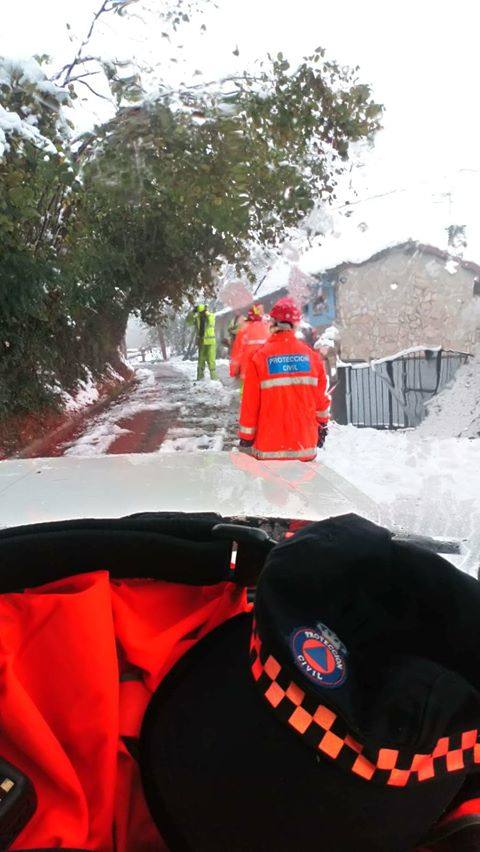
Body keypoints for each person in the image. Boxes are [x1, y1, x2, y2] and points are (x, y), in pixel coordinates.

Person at [238, 296, 330, 460]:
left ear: (272, 323)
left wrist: (246, 438)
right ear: (295, 324)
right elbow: (320, 400)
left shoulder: (259, 358)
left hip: (269, 450)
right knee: (302, 486)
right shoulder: (312, 358)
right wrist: (322, 425)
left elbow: (250, 404)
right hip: (304, 449)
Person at [229, 304, 270, 384]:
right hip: (264, 373)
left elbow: (237, 353)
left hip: (247, 373)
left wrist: (234, 371)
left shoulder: (244, 330)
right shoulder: (268, 329)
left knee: (246, 394)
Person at [186, 304, 217, 380]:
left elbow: (211, 322)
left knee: (211, 361)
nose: (201, 314)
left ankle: (214, 379)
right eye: (200, 312)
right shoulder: (197, 318)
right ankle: (200, 378)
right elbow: (188, 321)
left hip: (210, 343)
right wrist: (192, 312)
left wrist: (206, 313)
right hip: (202, 342)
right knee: (201, 361)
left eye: (202, 312)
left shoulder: (211, 316)